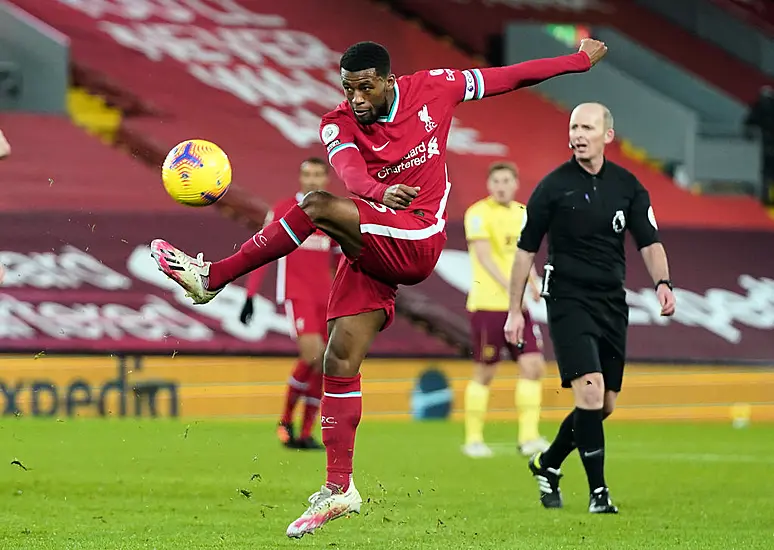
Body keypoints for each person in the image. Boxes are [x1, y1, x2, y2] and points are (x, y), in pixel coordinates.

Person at [149, 39, 608, 538]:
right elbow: (348, 169)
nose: (356, 99)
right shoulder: (337, 122)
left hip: (417, 235)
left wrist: (577, 61)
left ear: (389, 80)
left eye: (365, 87)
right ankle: (340, 487)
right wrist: (374, 190)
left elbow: (509, 76)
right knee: (338, 360)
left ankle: (212, 278)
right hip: (372, 241)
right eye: (348, 89)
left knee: (318, 204)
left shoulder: (435, 88)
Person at [504, 102, 676, 514]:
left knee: (604, 405)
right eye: (574, 127)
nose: (578, 134)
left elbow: (649, 242)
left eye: (587, 127)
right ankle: (599, 493)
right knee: (591, 390)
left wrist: (663, 283)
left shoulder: (628, 186)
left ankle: (547, 464)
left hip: (611, 302)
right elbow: (525, 251)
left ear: (607, 135)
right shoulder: (552, 187)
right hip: (567, 299)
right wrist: (515, 310)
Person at [240, 157, 338, 451]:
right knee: (312, 354)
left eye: (318, 175)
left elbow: (338, 259)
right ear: (300, 178)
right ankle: (284, 421)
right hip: (298, 294)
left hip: (327, 297)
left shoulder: (333, 213)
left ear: (326, 179)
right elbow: (261, 251)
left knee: (323, 364)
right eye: (307, 174)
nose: (312, 180)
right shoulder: (284, 210)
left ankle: (307, 432)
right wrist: (250, 295)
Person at [462, 161, 550, 458]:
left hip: (518, 306)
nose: (501, 186)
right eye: (496, 181)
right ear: (489, 185)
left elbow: (525, 254)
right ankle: (473, 439)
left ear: (515, 184)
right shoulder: (477, 213)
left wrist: (534, 282)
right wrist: (516, 285)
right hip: (488, 304)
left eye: (506, 181)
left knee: (533, 366)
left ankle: (529, 437)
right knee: (485, 372)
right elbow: (485, 257)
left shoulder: (524, 214)